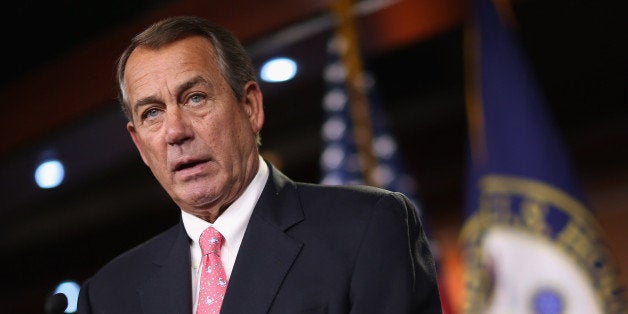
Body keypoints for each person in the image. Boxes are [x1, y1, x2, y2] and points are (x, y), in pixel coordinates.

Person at [77, 15, 442, 314]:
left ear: (250, 107)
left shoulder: (366, 228)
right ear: (140, 144)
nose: (175, 131)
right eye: (152, 112)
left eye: (195, 98)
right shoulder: (108, 295)